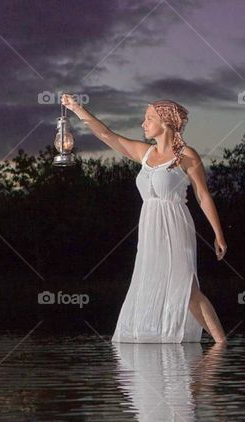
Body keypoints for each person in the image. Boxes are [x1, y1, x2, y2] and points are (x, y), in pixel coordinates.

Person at [61, 94, 228, 343]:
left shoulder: (186, 156)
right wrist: (77, 109)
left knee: (186, 289)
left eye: (149, 118)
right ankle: (164, 350)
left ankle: (221, 344)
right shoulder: (145, 153)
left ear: (166, 123)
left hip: (175, 226)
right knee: (153, 283)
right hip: (150, 228)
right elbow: (108, 136)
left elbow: (202, 196)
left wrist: (218, 234)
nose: (143, 123)